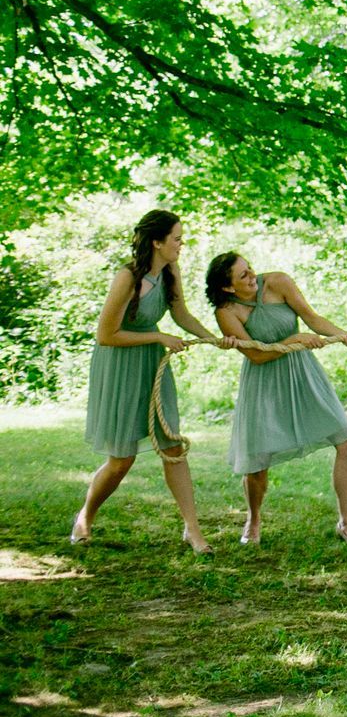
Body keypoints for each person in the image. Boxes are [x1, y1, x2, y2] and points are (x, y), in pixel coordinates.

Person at [72, 209, 235, 554]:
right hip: (120, 365)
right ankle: (85, 516)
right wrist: (158, 337)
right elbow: (106, 335)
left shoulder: (170, 272)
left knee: (173, 447)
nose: (181, 244)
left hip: (150, 362)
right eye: (176, 238)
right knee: (122, 459)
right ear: (158, 242)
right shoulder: (127, 278)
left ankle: (193, 529)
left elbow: (181, 313)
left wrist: (212, 338)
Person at [208, 253, 347, 545]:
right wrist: (292, 341)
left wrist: (344, 336)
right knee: (257, 461)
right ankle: (253, 519)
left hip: (302, 372)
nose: (252, 276)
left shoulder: (278, 282)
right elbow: (255, 355)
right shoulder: (227, 312)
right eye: (243, 275)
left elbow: (312, 318)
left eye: (250, 268)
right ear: (228, 287)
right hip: (264, 381)